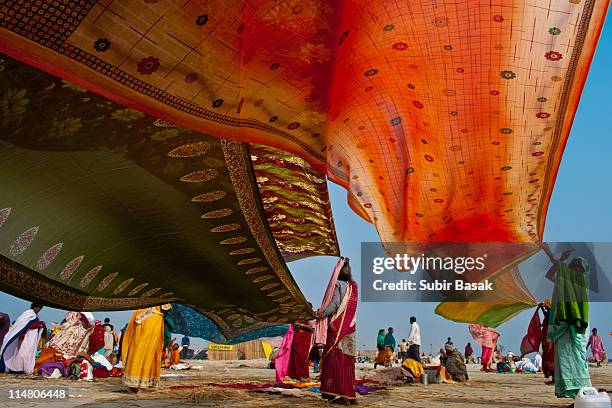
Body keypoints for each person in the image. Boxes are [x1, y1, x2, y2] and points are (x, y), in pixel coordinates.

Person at [542, 243, 592, 398]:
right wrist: (561, 261)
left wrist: (549, 252)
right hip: (564, 325)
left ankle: (583, 394)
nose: (577, 268)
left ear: (584, 270)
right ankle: (575, 396)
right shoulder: (565, 280)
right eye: (574, 265)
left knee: (577, 359)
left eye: (580, 266)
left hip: (575, 325)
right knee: (564, 359)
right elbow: (550, 275)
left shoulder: (581, 280)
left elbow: (563, 273)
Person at [316, 259, 358, 405]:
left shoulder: (338, 285)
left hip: (338, 327)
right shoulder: (352, 287)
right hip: (350, 328)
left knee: (336, 360)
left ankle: (341, 394)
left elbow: (335, 303)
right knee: (348, 361)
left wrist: (323, 313)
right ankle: (350, 395)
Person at [121, 305, 170, 392]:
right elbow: (166, 307)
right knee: (147, 352)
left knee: (137, 348)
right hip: (153, 320)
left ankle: (134, 382)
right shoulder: (164, 295)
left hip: (141, 316)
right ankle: (141, 383)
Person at [0, 303, 45, 374]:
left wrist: (40, 324)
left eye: (40, 307)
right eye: (37, 307)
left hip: (31, 338)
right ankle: (18, 368)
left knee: (28, 353)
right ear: (34, 306)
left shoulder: (34, 315)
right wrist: (39, 324)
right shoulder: (28, 314)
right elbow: (25, 325)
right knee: (23, 353)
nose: (38, 309)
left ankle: (24, 368)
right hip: (25, 338)